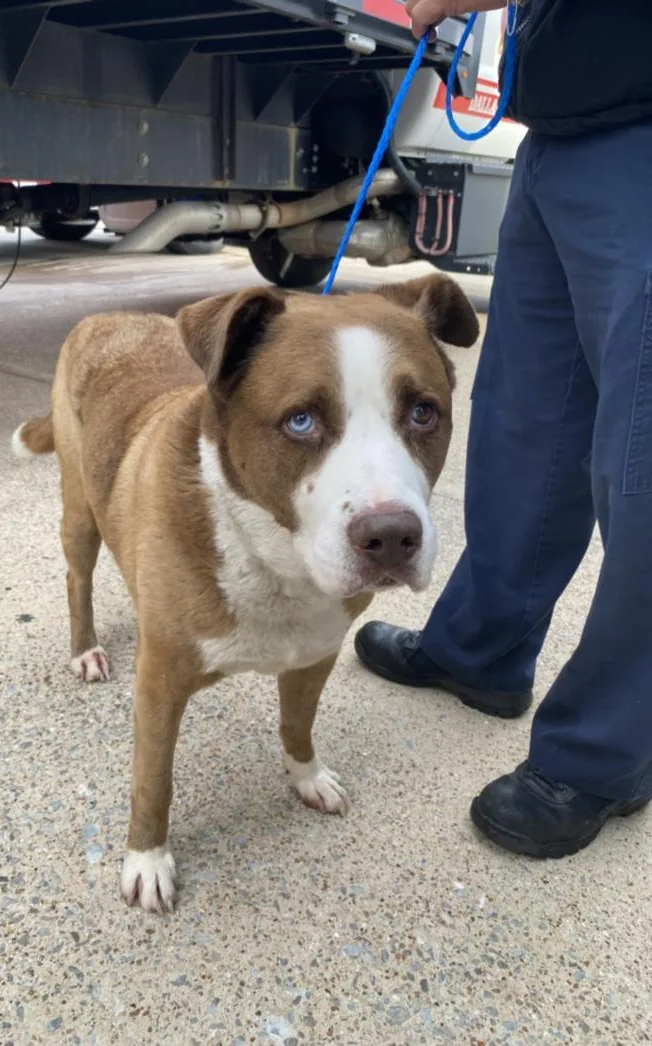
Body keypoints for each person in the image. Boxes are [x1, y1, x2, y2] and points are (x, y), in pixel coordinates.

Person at [355, 0, 652, 857]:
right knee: (527, 428)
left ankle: (604, 753)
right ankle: (481, 648)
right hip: (561, 134)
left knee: (641, 469)